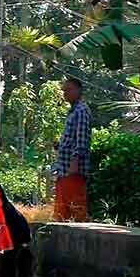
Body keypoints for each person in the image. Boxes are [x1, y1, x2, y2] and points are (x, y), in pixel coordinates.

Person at [54, 78, 92, 221]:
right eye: (64, 91)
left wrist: (74, 164)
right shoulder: (73, 111)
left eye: (68, 90)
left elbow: (82, 141)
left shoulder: (81, 111)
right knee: (62, 211)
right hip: (65, 170)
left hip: (73, 171)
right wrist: (60, 146)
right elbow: (73, 139)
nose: (65, 94)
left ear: (78, 90)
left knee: (76, 209)